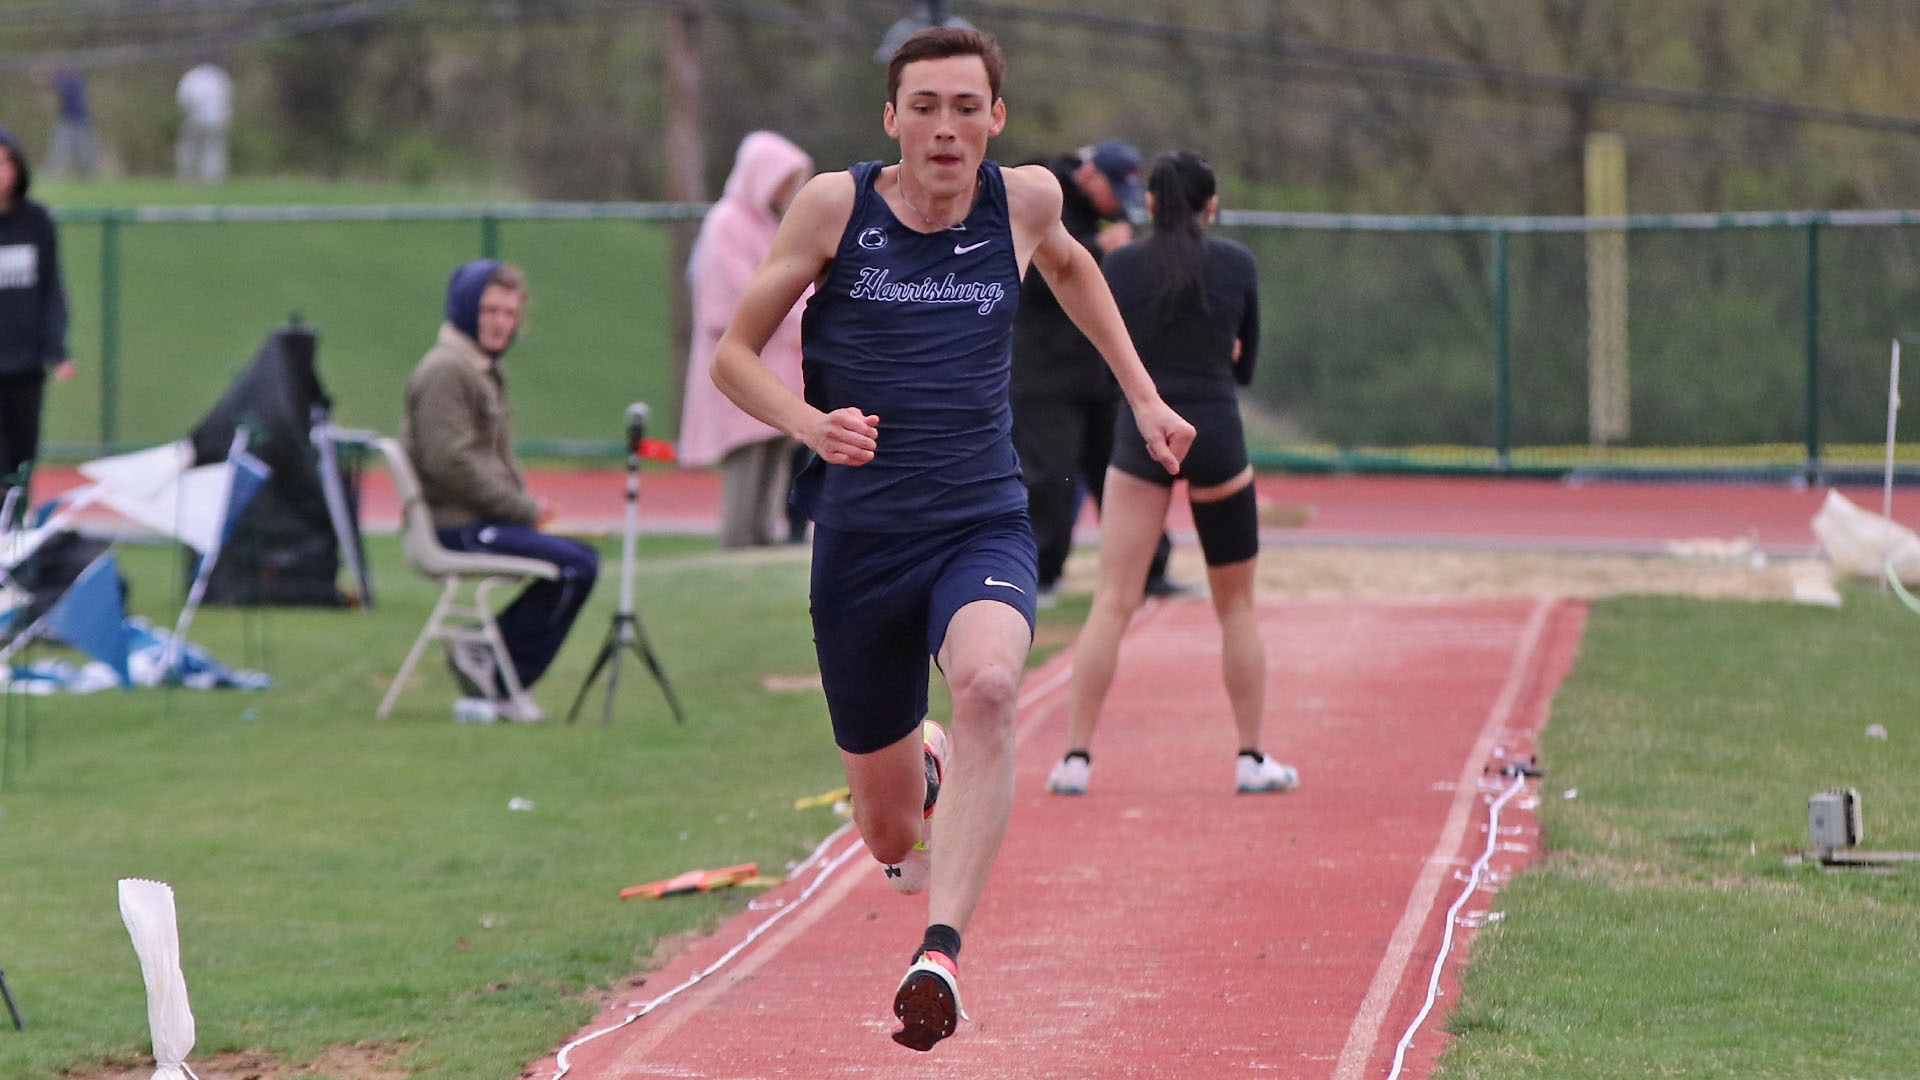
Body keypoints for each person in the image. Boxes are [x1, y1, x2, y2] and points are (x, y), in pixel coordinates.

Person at [710, 26, 1193, 1052]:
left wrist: (1143, 397)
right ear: (891, 118)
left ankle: (940, 955)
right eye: (923, 106)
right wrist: (810, 424)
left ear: (995, 119)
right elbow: (732, 355)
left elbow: (1073, 273)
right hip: (861, 542)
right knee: (888, 832)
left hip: (980, 518)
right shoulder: (835, 209)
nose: (944, 127)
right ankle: (918, 769)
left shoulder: (1023, 203)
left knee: (988, 686)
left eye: (964, 106)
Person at [1046, 151, 1297, 797]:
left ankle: (1075, 759)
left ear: (1150, 204)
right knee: (1236, 606)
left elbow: (1108, 367)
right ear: (1211, 206)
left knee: (1112, 601)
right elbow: (1245, 370)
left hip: (1143, 431)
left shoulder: (1120, 264)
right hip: (1215, 429)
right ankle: (1250, 757)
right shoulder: (1237, 264)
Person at [400, 260, 598, 723]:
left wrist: (526, 508)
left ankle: (492, 667)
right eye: (490, 310)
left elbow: (486, 461)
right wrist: (523, 509)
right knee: (576, 566)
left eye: (510, 314)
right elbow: (451, 463)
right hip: (456, 528)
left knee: (577, 560)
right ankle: (497, 669)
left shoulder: (480, 369)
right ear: (466, 308)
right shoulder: (446, 371)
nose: (501, 323)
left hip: (480, 520)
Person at [1010, 139, 1181, 605]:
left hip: (1098, 372)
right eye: (1114, 192)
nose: (1117, 206)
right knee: (1049, 477)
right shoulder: (1041, 195)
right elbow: (1026, 276)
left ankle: (1151, 569)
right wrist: (1094, 248)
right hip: (1043, 372)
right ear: (1090, 177)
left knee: (1126, 472)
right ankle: (1041, 576)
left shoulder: (1109, 219)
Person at [678, 131, 814, 547]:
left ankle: (761, 534)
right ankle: (737, 539)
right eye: (783, 179)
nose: (788, 190)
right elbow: (734, 294)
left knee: (776, 452)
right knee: (746, 456)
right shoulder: (726, 223)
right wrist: (789, 314)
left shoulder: (774, 226)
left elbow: (795, 281)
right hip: (743, 366)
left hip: (780, 367)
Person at [0, 127, 75, 520]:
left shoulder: (36, 222)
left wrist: (57, 348)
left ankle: (15, 546)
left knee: (22, 463)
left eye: (6, 162)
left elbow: (52, 289)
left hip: (25, 364)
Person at [175, 60, 232, 184]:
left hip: (196, 117)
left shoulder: (192, 77)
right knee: (214, 149)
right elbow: (227, 97)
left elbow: (184, 99)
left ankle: (187, 177)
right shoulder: (219, 75)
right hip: (218, 118)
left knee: (190, 148)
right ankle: (213, 179)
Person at [41, 66, 99, 181]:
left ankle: (90, 175)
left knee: (86, 150)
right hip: (68, 120)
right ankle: (51, 174)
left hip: (80, 121)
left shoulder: (74, 81)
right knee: (59, 148)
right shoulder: (67, 80)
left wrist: (48, 77)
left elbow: (62, 87)